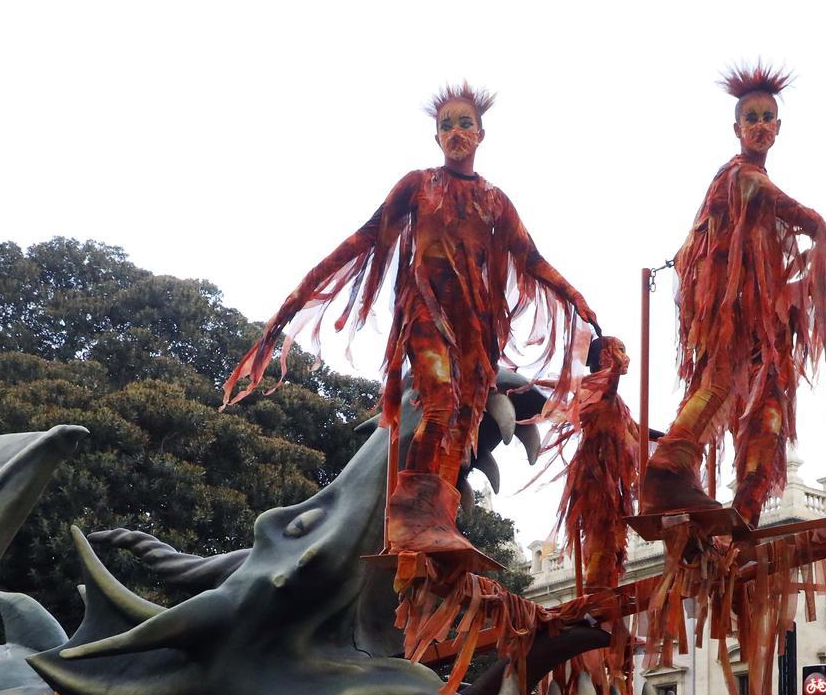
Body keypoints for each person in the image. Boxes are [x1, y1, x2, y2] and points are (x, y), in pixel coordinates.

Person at [223, 82, 597, 562]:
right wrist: (303, 292)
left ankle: (440, 517)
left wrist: (577, 298)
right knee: (439, 403)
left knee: (464, 419)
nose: (456, 132)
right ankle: (413, 515)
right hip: (426, 316)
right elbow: (363, 238)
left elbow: (532, 259)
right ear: (436, 138)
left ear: (481, 134)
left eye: (465, 123)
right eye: (446, 125)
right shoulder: (419, 185)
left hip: (476, 329)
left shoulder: (496, 200)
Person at [639, 63, 826, 525]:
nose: (760, 125)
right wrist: (820, 230)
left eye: (767, 117)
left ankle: (745, 508)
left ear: (779, 126)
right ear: (736, 128)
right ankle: (669, 467)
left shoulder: (750, 179)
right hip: (729, 315)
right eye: (751, 118)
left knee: (770, 406)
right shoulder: (740, 174)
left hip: (760, 323)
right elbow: (783, 206)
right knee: (717, 385)